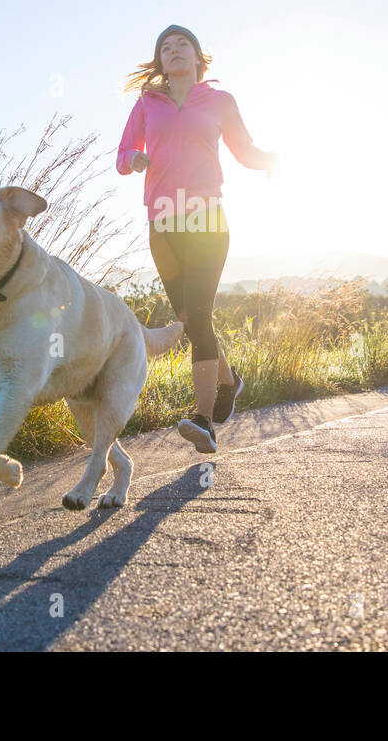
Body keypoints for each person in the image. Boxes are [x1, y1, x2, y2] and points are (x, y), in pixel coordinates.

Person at [116, 24, 279, 453]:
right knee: (190, 318)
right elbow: (121, 154)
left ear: (197, 55)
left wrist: (272, 160)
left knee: (200, 314)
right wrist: (133, 158)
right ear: (159, 61)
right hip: (163, 224)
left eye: (182, 44)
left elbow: (244, 151)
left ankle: (203, 419)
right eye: (165, 47)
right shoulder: (147, 104)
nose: (174, 51)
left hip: (206, 219)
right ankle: (230, 381)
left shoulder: (219, 101)